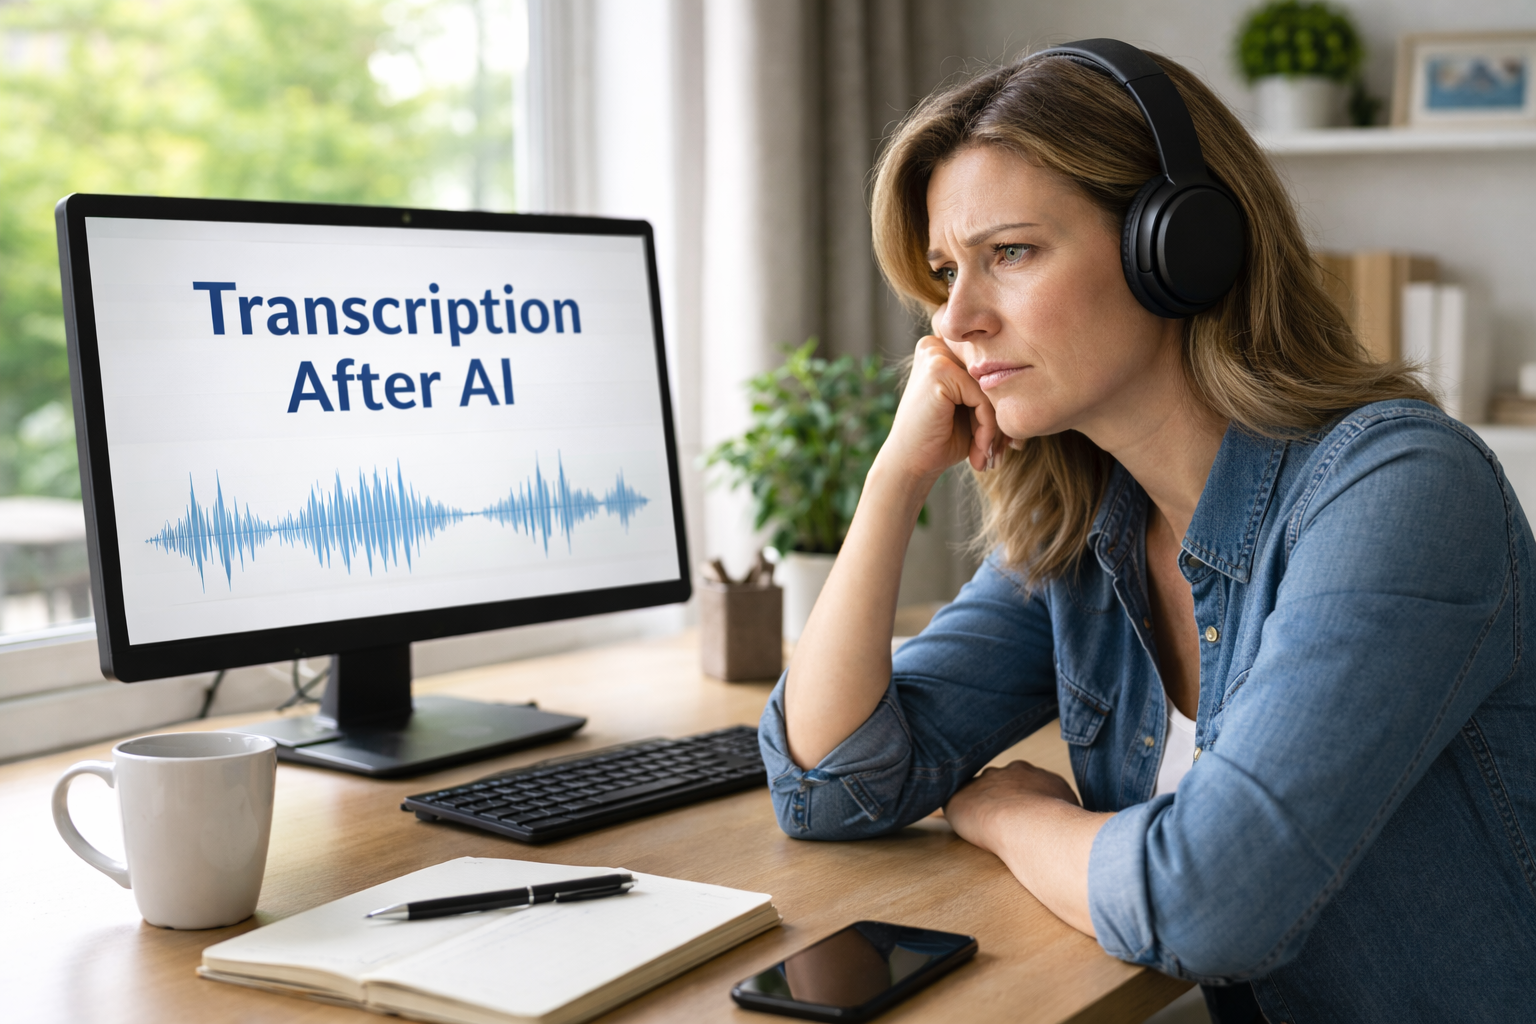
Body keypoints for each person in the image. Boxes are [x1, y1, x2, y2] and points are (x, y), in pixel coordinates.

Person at [758, 43, 1536, 1024]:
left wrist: (1005, 810)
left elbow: (1209, 901)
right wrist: (891, 477)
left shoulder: (1400, 490)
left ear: (1178, 248)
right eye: (946, 271)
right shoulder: (1084, 529)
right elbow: (828, 788)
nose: (956, 320)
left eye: (1011, 253)